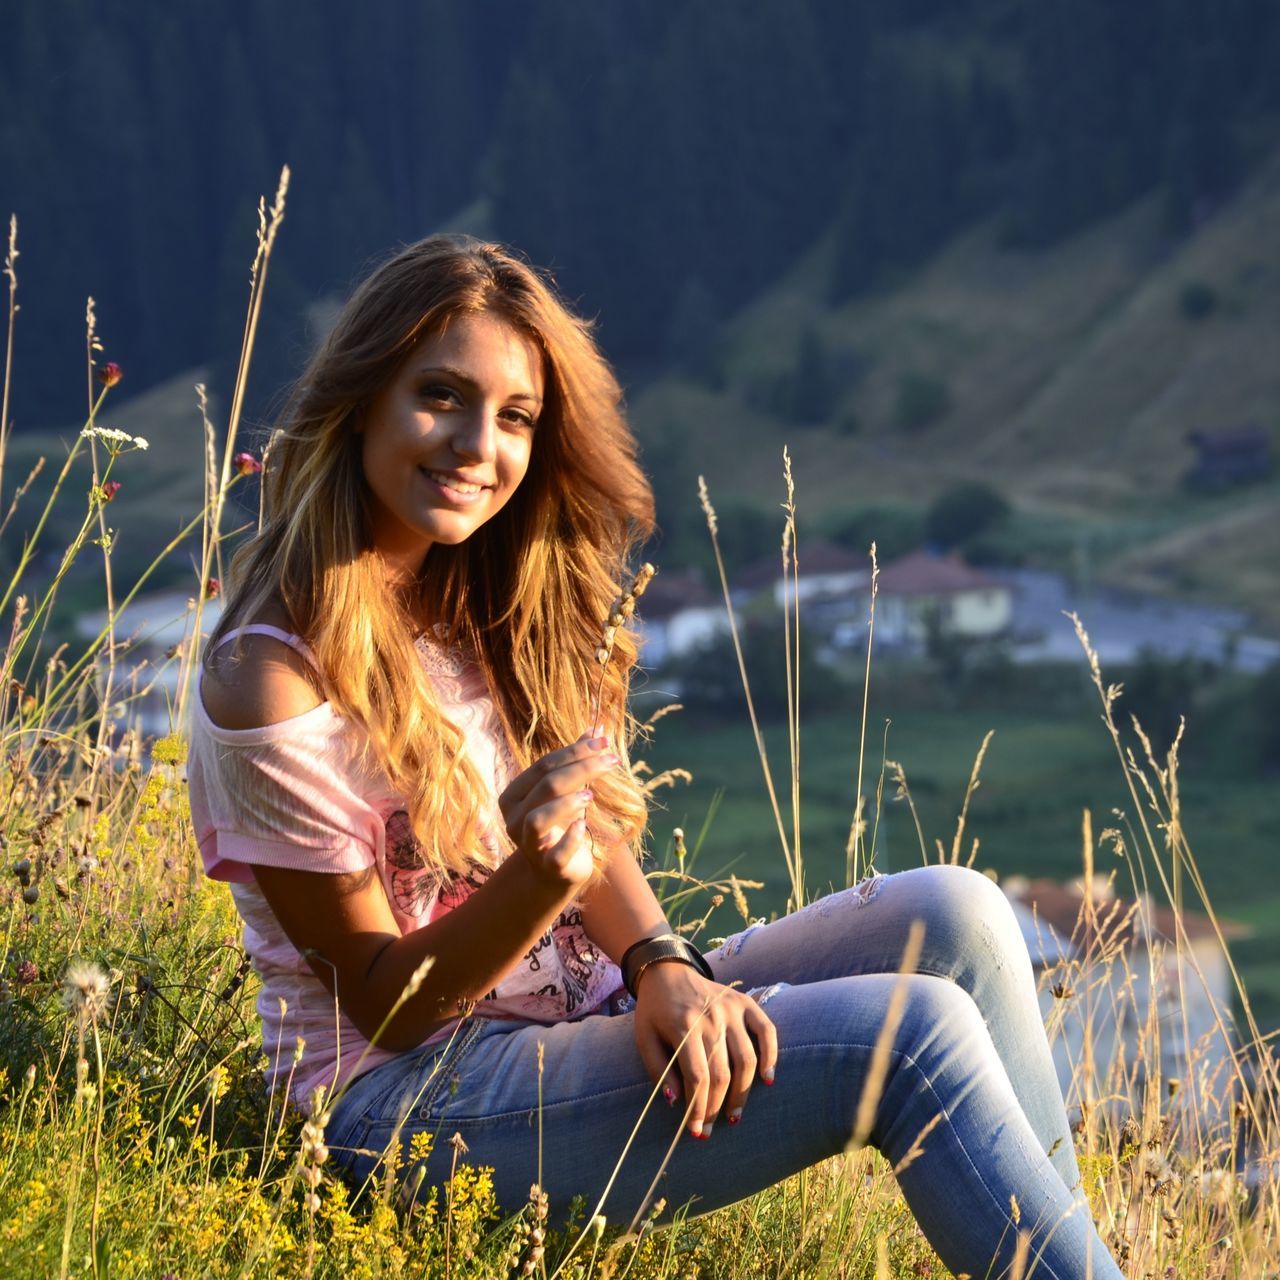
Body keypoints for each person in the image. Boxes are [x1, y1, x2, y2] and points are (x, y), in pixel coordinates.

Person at [188, 234, 1124, 1278]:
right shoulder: (273, 675)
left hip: (576, 1015)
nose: (473, 445)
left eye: (514, 419)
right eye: (439, 396)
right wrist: (538, 879)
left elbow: (586, 838)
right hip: (401, 1105)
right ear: (362, 395)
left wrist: (660, 963)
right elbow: (386, 1005)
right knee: (906, 1032)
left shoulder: (480, 599)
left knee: (960, 912)